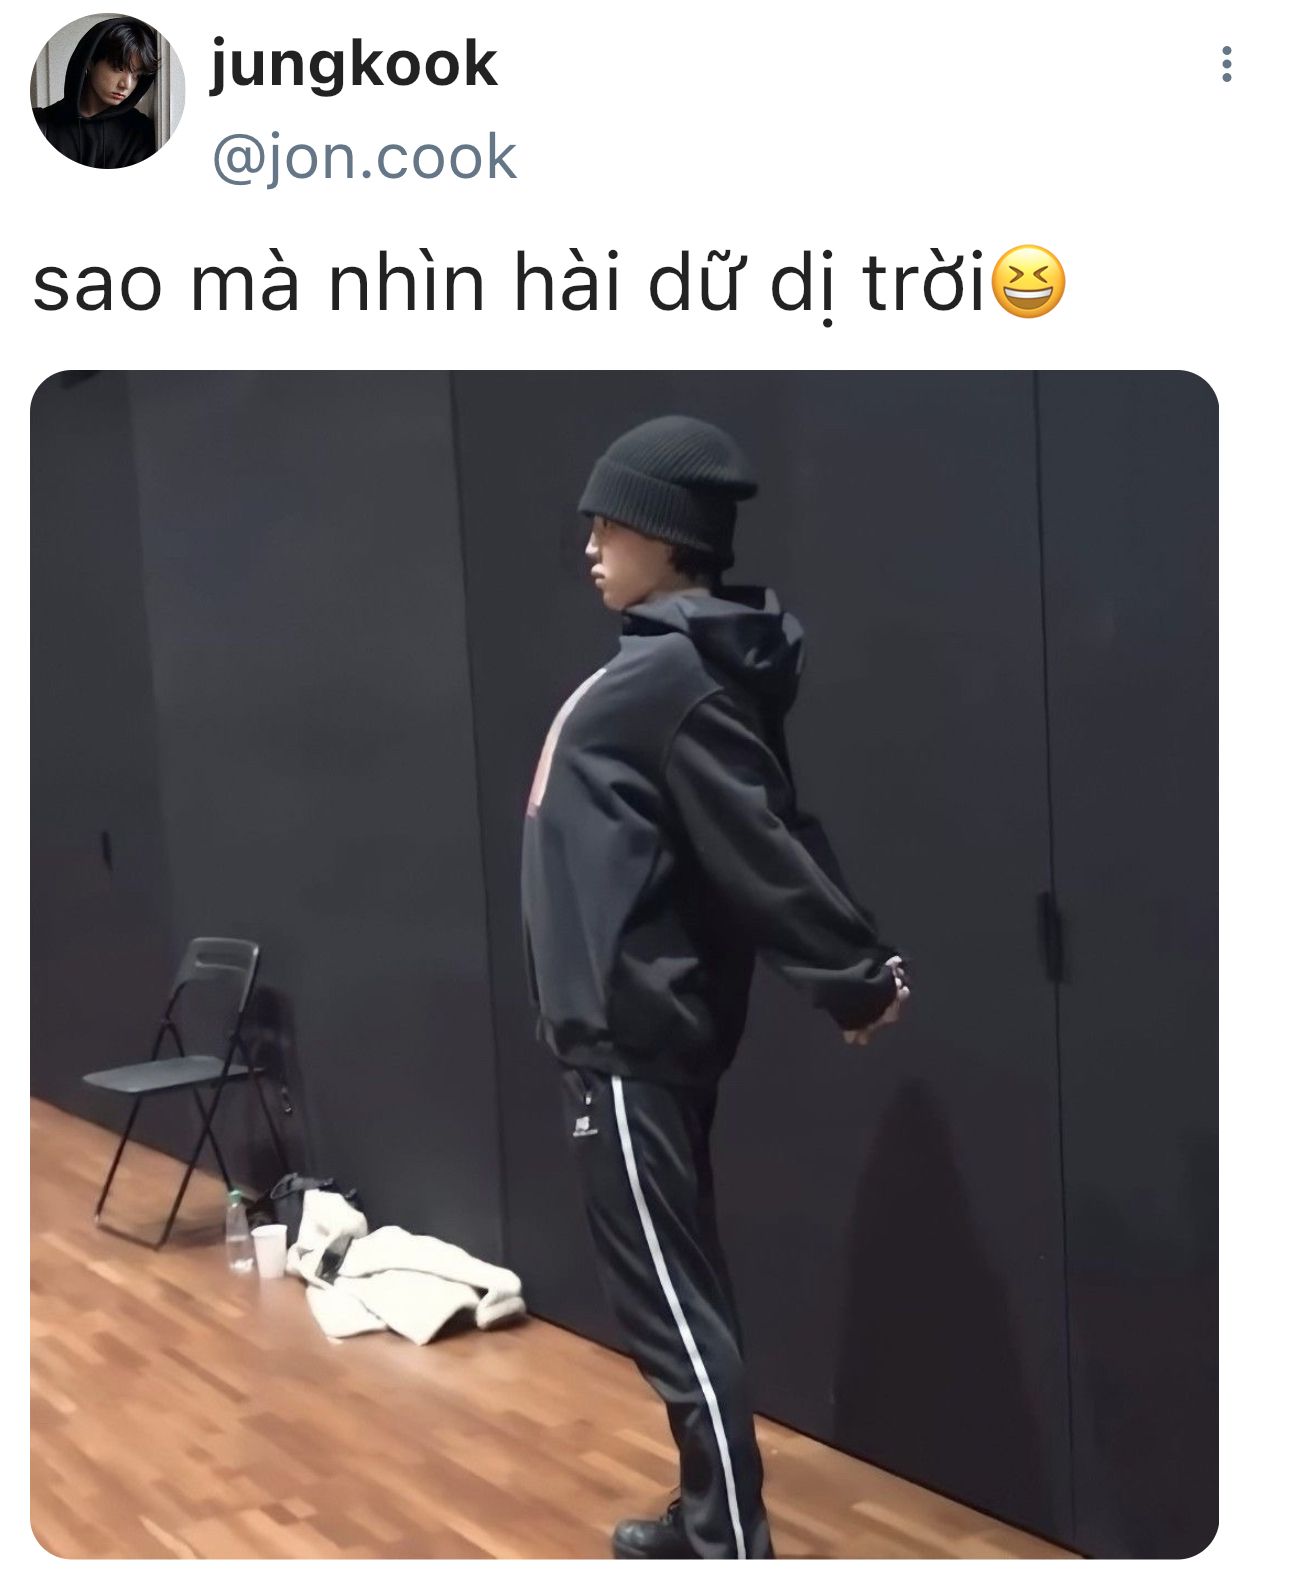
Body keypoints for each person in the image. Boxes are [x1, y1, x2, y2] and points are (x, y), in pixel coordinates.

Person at [520, 414, 910, 1559]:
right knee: (676, 1292)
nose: (590, 545)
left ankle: (731, 1542)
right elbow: (764, 824)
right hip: (625, 1034)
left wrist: (851, 973)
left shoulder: (673, 677)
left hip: (630, 1038)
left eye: (609, 526)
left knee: (668, 1307)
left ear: (668, 537)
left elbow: (761, 841)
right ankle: (708, 1518)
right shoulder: (671, 669)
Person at [34, 17, 158, 168]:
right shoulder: (42, 124)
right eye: (118, 68)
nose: (126, 85)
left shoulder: (140, 132)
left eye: (136, 75)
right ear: (90, 62)